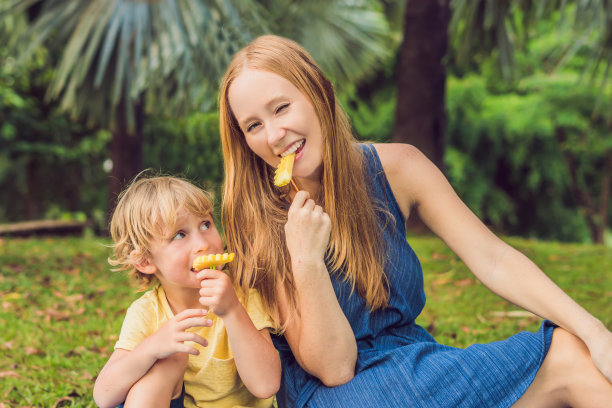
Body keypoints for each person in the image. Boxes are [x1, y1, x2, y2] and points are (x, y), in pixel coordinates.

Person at [218, 34, 612, 407]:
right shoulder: (259, 218)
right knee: (565, 358)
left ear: (319, 92)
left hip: (414, 364)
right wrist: (306, 259)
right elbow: (333, 368)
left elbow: (492, 258)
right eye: (253, 125)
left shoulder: (398, 168)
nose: (273, 135)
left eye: (281, 107)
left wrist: (595, 332)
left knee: (576, 352)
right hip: (338, 393)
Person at [93, 175, 281, 408]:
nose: (203, 243)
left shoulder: (243, 296)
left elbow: (267, 385)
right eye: (180, 235)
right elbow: (104, 396)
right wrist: (151, 348)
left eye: (206, 224)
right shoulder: (146, 312)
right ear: (144, 261)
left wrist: (232, 310)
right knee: (166, 361)